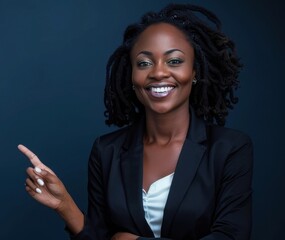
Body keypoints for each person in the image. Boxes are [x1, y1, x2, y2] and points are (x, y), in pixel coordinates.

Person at [19, 3, 253, 240]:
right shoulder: (107, 150)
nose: (158, 72)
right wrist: (65, 206)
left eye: (174, 61)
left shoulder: (229, 149)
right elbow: (101, 237)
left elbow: (231, 236)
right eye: (144, 63)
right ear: (131, 75)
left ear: (195, 72)